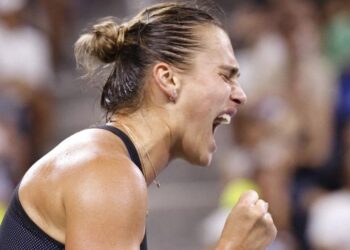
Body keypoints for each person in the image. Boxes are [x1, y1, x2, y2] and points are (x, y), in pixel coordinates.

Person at [0, 2, 277, 249]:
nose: (241, 94)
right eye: (225, 76)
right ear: (168, 79)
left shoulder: (110, 165)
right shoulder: (107, 174)